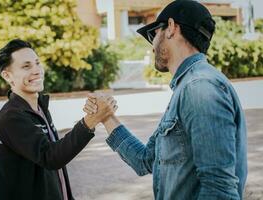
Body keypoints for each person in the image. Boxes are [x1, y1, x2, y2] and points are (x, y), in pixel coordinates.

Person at [84, 1, 247, 199]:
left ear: (170, 28)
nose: (152, 46)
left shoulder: (200, 88)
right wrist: (107, 117)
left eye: (153, 35)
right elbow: (145, 160)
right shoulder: (188, 87)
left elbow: (219, 189)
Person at [0, 39, 117, 200]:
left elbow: (56, 161)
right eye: (26, 66)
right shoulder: (12, 116)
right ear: (7, 76)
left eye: (37, 63)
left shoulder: (39, 108)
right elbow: (50, 157)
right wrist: (91, 120)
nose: (37, 70)